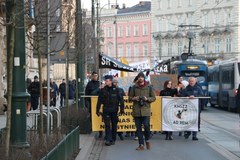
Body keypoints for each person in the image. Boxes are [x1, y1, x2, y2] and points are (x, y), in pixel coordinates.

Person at [129, 72, 156, 150]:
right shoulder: (134, 87)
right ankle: (141, 144)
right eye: (139, 77)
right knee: (138, 128)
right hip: (137, 110)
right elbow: (129, 98)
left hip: (146, 110)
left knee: (146, 126)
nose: (140, 78)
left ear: (144, 78)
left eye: (142, 77)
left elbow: (153, 98)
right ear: (137, 78)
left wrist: (147, 99)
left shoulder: (149, 87)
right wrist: (134, 98)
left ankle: (147, 139)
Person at [96, 75, 124, 146]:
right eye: (105, 80)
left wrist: (122, 109)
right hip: (106, 110)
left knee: (114, 125)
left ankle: (113, 139)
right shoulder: (103, 90)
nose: (106, 82)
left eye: (107, 80)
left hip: (114, 110)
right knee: (107, 125)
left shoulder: (116, 90)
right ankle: (108, 139)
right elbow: (99, 101)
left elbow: (121, 100)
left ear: (111, 81)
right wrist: (97, 110)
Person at [85, 71, 102, 137]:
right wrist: (86, 103)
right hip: (91, 103)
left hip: (99, 103)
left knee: (100, 116)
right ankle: (92, 128)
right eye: (94, 76)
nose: (95, 77)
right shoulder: (89, 84)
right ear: (92, 76)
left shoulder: (99, 83)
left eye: (96, 76)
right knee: (92, 116)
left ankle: (100, 131)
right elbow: (88, 94)